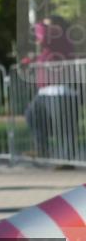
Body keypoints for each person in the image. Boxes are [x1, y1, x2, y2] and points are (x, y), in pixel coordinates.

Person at [23, 15, 81, 161]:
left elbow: (41, 35)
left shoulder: (60, 37)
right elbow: (44, 56)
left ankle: (67, 159)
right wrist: (29, 61)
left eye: (49, 25)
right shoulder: (51, 44)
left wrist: (41, 23)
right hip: (44, 91)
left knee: (64, 127)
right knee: (32, 115)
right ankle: (42, 149)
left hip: (61, 91)